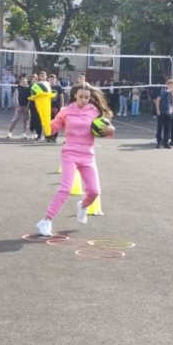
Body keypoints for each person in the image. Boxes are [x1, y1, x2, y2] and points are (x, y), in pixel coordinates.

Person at [36, 83, 115, 236]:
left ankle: (83, 206)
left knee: (94, 191)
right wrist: (44, 115)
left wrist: (111, 130)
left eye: (87, 97)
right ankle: (46, 221)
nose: (84, 100)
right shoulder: (65, 111)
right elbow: (50, 129)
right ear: (74, 96)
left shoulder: (95, 112)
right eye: (81, 97)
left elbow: (104, 130)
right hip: (69, 153)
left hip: (88, 155)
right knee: (65, 189)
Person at [155, 80, 173, 149]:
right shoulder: (166, 92)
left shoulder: (172, 94)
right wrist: (158, 110)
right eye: (169, 84)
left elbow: (171, 104)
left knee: (167, 128)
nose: (170, 86)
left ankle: (166, 143)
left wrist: (171, 110)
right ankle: (158, 142)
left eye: (172, 85)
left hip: (168, 113)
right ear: (167, 85)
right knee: (160, 128)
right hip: (162, 112)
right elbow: (157, 99)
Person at [49, 74, 64, 142]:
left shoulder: (58, 87)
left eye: (53, 79)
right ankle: (49, 136)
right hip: (48, 107)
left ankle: (54, 136)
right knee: (48, 122)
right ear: (48, 80)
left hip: (56, 106)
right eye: (50, 79)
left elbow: (61, 97)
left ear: (55, 80)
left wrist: (62, 106)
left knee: (55, 122)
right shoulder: (47, 87)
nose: (52, 81)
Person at [28, 73, 43, 140]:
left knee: (38, 119)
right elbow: (28, 96)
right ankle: (31, 132)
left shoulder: (39, 86)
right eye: (33, 79)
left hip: (39, 103)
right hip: (32, 103)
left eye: (36, 79)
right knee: (33, 118)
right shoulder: (30, 86)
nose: (34, 80)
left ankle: (38, 134)